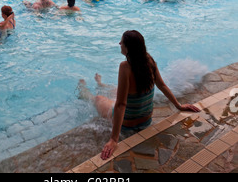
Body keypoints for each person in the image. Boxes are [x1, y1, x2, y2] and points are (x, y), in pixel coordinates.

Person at [78, 31, 200, 160]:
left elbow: (121, 105)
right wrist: (178, 106)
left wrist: (114, 139)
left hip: (128, 124)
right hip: (146, 121)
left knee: (98, 99)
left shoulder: (125, 67)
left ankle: (83, 90)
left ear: (128, 47)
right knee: (118, 90)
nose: (119, 44)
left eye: (122, 42)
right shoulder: (149, 60)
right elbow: (162, 85)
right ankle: (101, 84)